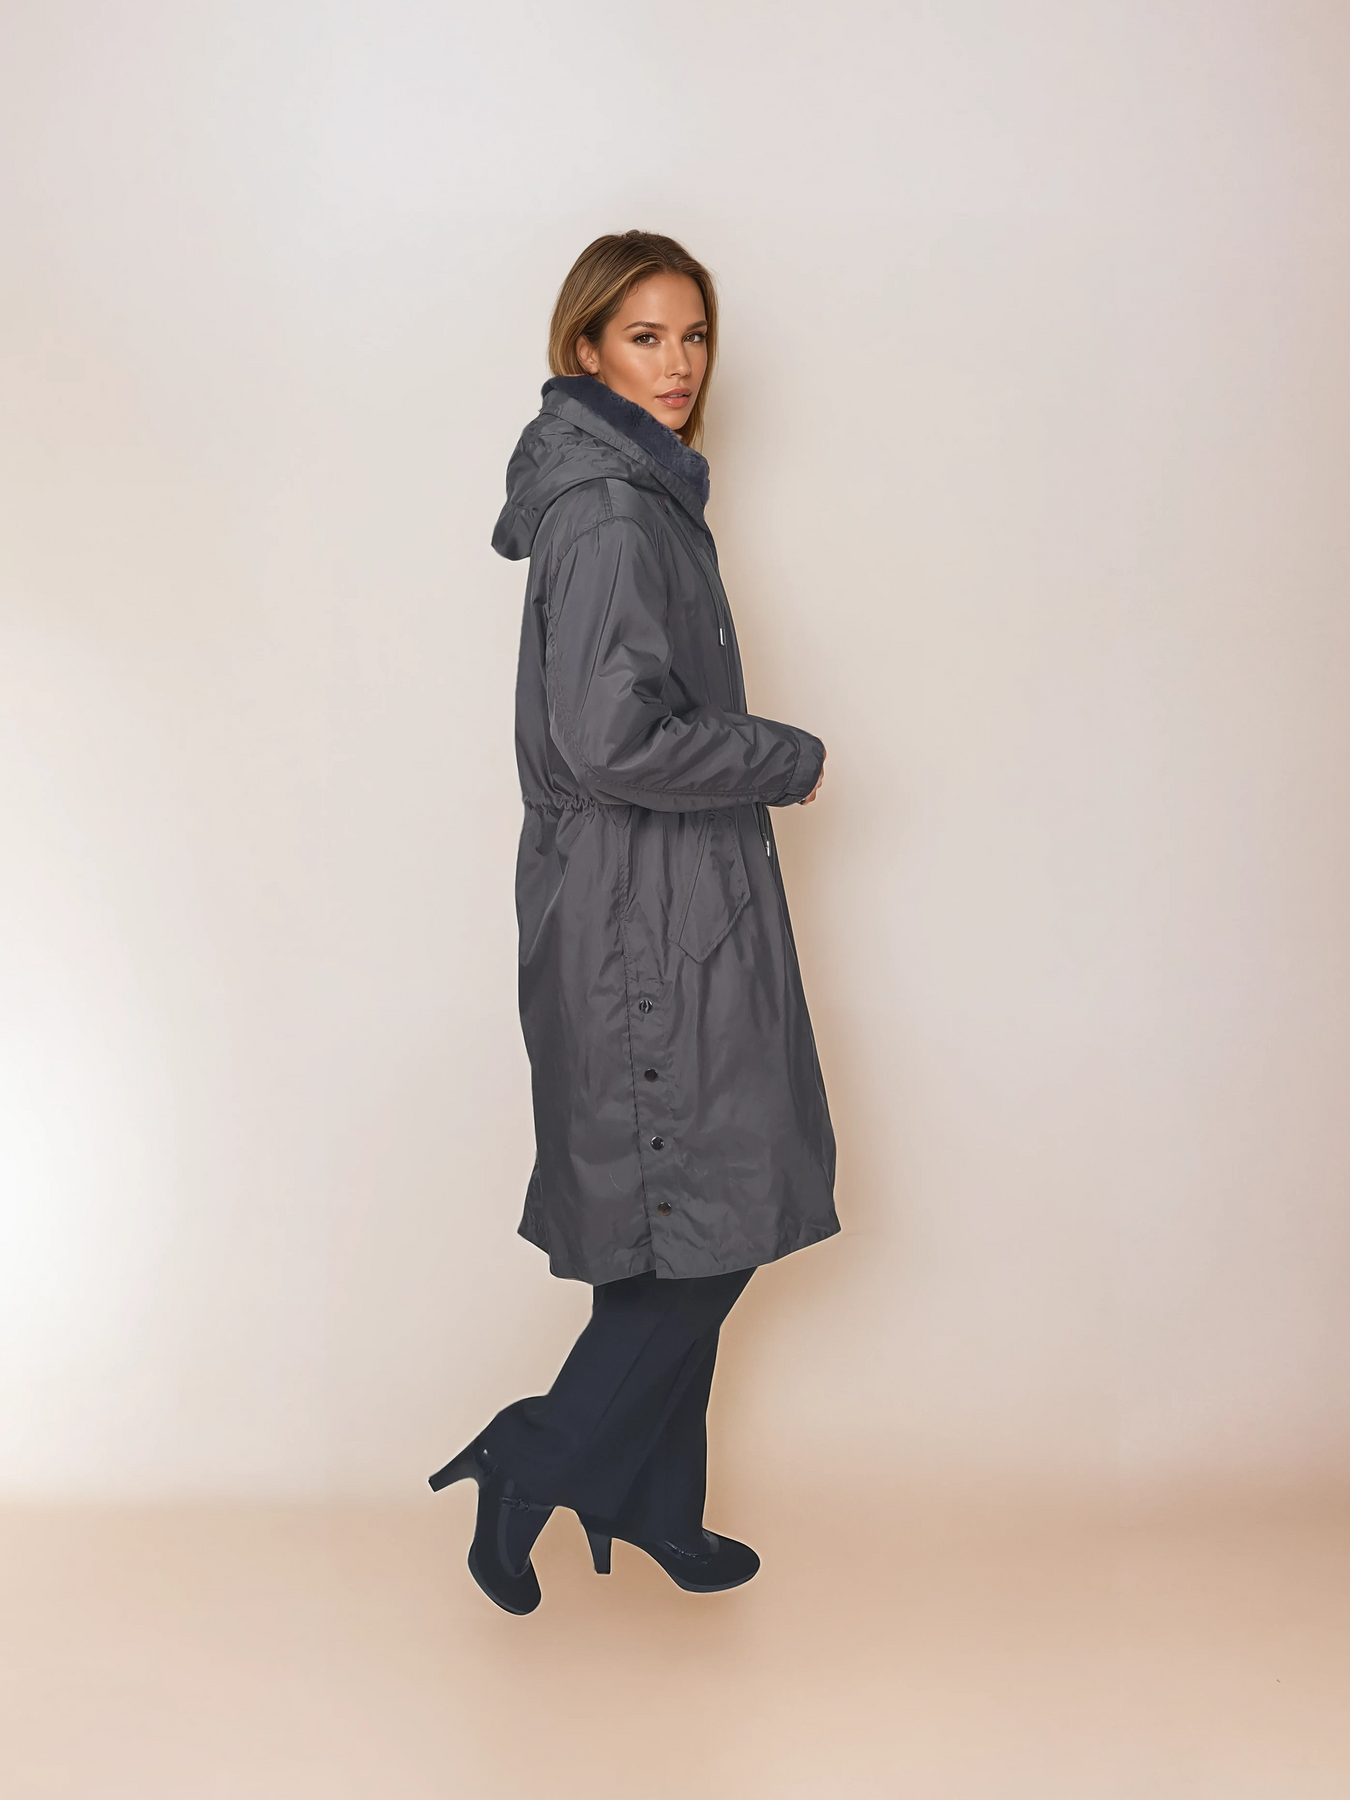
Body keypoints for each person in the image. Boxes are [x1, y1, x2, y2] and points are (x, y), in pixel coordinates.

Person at [430, 230, 838, 1614]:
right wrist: (780, 756)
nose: (677, 365)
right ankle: (533, 1457)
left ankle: (656, 1503)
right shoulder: (611, 511)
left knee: (689, 1223)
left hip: (655, 902)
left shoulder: (639, 494)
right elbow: (609, 739)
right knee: (699, 1218)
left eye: (692, 336)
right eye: (644, 338)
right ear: (585, 349)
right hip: (641, 924)